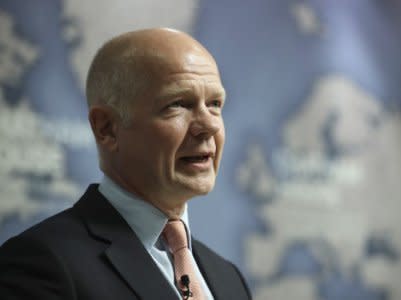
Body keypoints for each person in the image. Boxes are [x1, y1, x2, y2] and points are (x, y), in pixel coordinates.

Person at [0, 28, 252, 300]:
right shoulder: (42, 264)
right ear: (107, 128)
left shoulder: (229, 279)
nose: (210, 125)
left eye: (215, 104)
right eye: (178, 104)